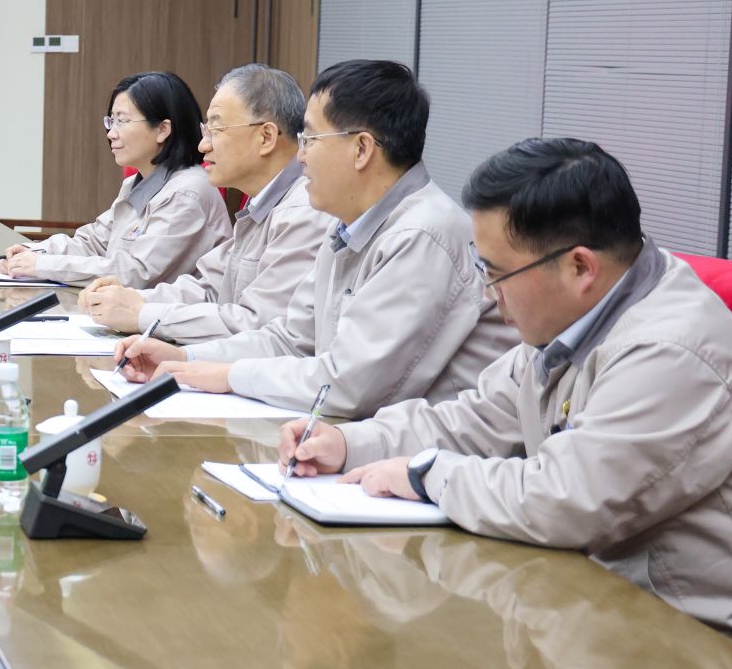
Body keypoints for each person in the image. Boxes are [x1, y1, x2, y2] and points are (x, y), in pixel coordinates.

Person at [283, 138, 732, 643]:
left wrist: (424, 473)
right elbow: (474, 419)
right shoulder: (575, 317)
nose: (488, 293)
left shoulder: (670, 351)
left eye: (496, 273)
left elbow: (563, 499)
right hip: (595, 609)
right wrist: (350, 443)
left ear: (580, 267)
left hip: (696, 647)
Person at [116, 60, 510, 414]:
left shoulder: (423, 233)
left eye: (310, 140)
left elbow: (349, 386)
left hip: (426, 454)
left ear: (362, 149)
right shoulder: (348, 225)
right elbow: (290, 338)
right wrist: (186, 359)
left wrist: (227, 375)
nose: (300, 155)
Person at [82, 64, 334, 343]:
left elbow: (258, 325)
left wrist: (141, 314)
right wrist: (131, 300)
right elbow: (208, 288)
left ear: (266, 137)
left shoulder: (303, 212)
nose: (203, 145)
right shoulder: (260, 206)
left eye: (216, 129)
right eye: (206, 130)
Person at [0, 71, 231, 287]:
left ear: (162, 129)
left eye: (122, 121)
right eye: (111, 121)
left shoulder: (187, 192)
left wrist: (43, 266)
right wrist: (38, 252)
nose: (111, 133)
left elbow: (138, 273)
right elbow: (95, 242)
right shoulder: (139, 183)